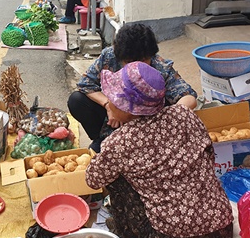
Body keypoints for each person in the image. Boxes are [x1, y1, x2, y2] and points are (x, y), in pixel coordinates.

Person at [85, 61, 234, 238]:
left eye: (113, 98)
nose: (109, 103)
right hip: (222, 232)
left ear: (128, 108)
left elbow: (93, 180)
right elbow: (207, 154)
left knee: (113, 176)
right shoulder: (184, 115)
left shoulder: (119, 143)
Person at [68, 23, 197, 153]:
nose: (135, 67)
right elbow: (85, 84)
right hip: (113, 122)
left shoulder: (161, 67)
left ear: (150, 55)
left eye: (142, 61)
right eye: (129, 62)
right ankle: (101, 139)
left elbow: (188, 97)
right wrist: (108, 106)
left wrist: (161, 121)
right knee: (77, 100)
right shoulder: (109, 56)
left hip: (147, 127)